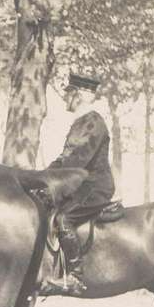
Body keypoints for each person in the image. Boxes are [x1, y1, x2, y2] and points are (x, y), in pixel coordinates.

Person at [43, 73, 116, 295]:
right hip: (81, 185)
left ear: (79, 95)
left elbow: (77, 160)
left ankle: (75, 275)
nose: (66, 98)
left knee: (64, 219)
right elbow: (65, 158)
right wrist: (41, 177)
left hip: (93, 187)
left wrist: (51, 180)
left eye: (69, 93)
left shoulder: (93, 122)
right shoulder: (81, 122)